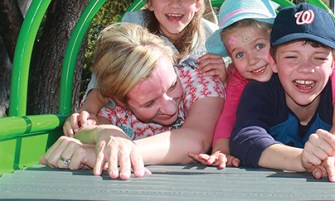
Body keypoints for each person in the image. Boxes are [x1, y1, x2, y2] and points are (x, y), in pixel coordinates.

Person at [63, 0, 227, 137]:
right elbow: (109, 77)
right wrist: (88, 110)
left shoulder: (213, 36)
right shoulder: (135, 26)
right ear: (149, 2)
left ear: (198, 4)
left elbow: (237, 88)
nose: (175, 4)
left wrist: (226, 76)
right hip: (145, 129)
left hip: (199, 124)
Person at [189, 0, 335, 170]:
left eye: (260, 46)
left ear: (277, 42)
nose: (252, 60)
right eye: (239, 54)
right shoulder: (239, 79)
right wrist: (221, 150)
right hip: (273, 153)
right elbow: (229, 115)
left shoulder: (298, 69)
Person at [41, 22, 225, 180]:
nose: (169, 107)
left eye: (172, 85)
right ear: (120, 101)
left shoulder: (201, 81)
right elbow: (86, 131)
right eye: (149, 103)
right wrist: (103, 132)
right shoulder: (112, 107)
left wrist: (113, 151)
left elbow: (196, 140)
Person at [229, 3, 335, 184]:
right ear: (273, 62)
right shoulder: (261, 90)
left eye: (318, 58)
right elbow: (245, 137)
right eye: (291, 57)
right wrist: (301, 159)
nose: (305, 69)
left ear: (334, 64)